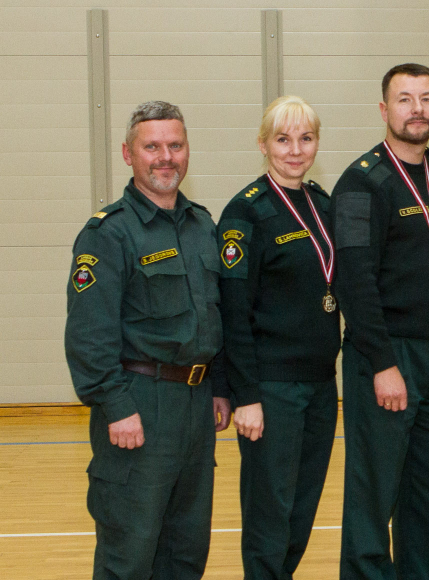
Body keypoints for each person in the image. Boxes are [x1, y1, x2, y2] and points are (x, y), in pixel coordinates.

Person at [64, 101, 232, 580]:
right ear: (128, 154)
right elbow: (88, 335)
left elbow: (214, 318)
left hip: (195, 408)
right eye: (152, 147)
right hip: (139, 403)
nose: (166, 157)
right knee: (130, 553)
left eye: (175, 145)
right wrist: (116, 406)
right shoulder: (108, 233)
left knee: (186, 551)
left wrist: (219, 387)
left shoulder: (202, 225)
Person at [333, 63, 429, 580]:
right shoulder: (360, 182)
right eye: (405, 99)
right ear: (384, 109)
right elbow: (353, 280)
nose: (417, 109)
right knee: (373, 495)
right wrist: (382, 362)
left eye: (426, 99)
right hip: (386, 357)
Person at [218, 96, 341, 580]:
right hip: (271, 389)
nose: (295, 150)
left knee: (302, 510)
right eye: (283, 139)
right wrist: (246, 396)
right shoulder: (245, 213)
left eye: (305, 139)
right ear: (263, 144)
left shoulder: (322, 205)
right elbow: (233, 313)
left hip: (321, 385)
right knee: (270, 514)